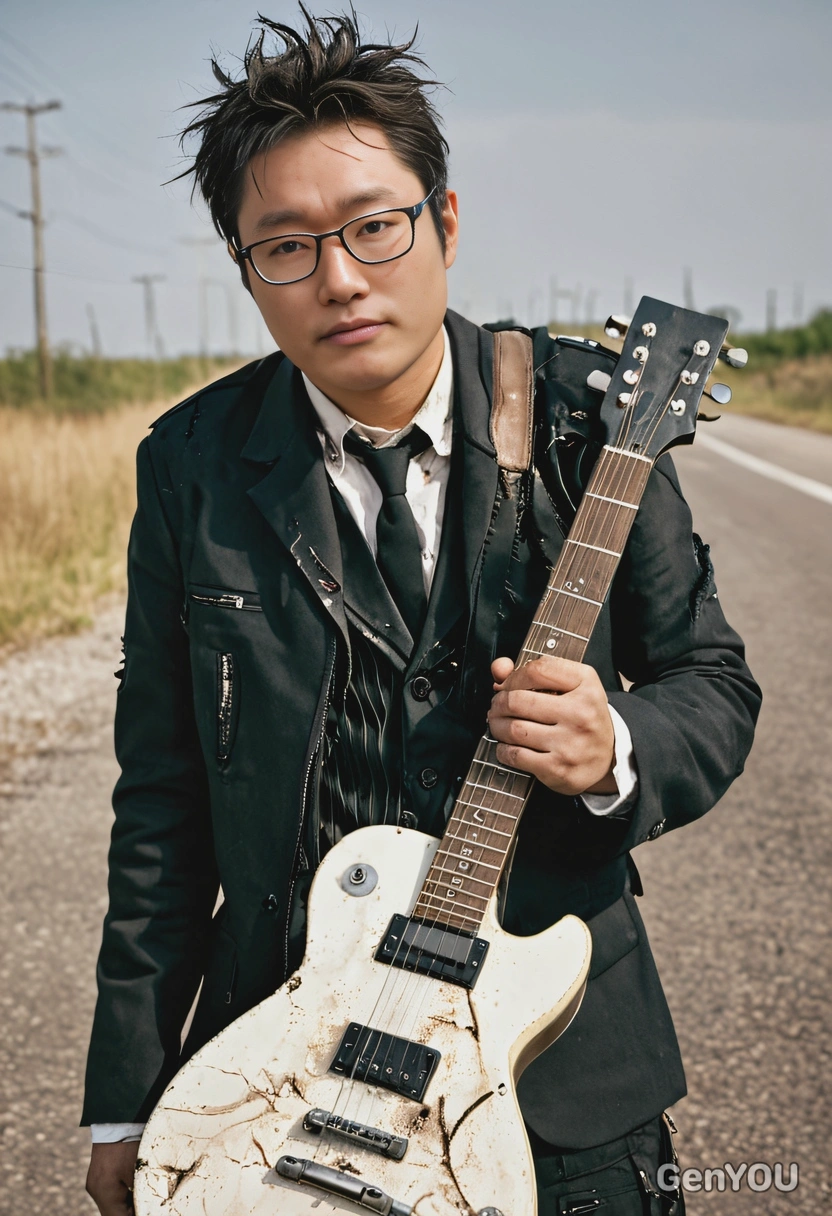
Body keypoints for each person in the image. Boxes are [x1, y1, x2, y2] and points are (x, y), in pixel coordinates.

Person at [82, 11, 761, 1215]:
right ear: (246, 271)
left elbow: (710, 679)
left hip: (555, 1070)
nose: (338, 278)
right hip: (275, 1065)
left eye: (373, 227)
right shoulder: (189, 463)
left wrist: (613, 750)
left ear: (443, 221)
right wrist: (129, 1098)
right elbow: (162, 800)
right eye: (283, 247)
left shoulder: (588, 421)